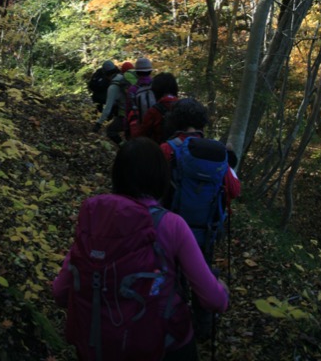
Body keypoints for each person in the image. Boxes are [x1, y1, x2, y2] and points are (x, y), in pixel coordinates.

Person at [52, 138, 229, 360]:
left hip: (98, 344)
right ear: (161, 177)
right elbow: (213, 300)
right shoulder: (172, 225)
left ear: (117, 174)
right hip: (163, 345)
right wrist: (222, 290)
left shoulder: (95, 217)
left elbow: (60, 292)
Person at [160, 98, 240, 341]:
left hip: (171, 227)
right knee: (201, 273)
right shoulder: (216, 153)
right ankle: (203, 329)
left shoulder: (167, 149)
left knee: (172, 275)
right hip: (206, 230)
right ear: (202, 122)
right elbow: (235, 190)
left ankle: (174, 323)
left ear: (175, 121)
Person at [92, 60, 128, 145]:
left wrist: (98, 124)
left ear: (105, 74)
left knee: (110, 131)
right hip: (139, 112)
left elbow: (107, 108)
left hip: (126, 116)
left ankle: (124, 147)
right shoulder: (123, 78)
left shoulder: (113, 87)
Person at [139, 72, 180, 143]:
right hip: (182, 150)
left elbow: (142, 134)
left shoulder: (153, 111)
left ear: (156, 91)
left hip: (160, 149)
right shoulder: (184, 107)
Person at [126, 56, 154, 137]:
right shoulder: (156, 86)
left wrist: (126, 129)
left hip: (139, 128)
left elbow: (128, 110)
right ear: (150, 71)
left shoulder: (133, 89)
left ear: (137, 72)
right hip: (155, 126)